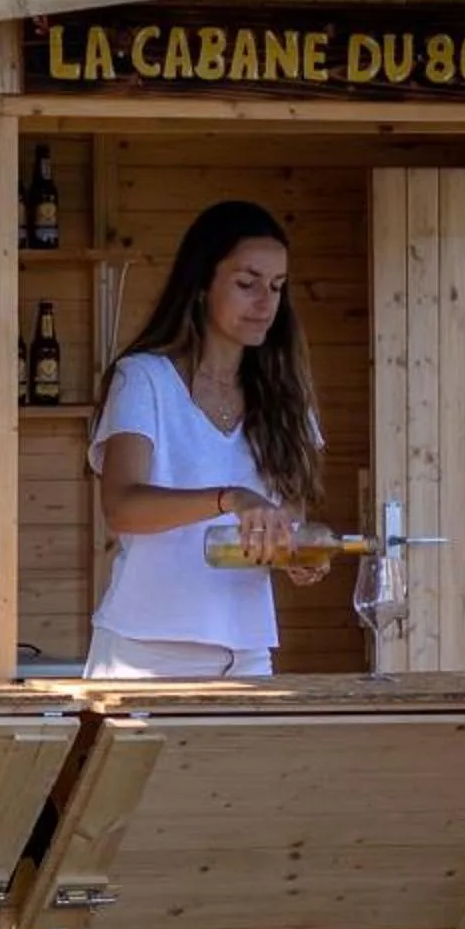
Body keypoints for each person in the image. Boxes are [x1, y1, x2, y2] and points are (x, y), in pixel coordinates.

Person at [84, 199, 324, 678]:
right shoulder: (143, 379)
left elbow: (288, 517)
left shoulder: (285, 395)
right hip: (144, 652)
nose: (265, 302)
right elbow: (122, 508)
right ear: (199, 285)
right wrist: (230, 499)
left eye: (276, 287)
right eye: (246, 283)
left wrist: (298, 552)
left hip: (249, 652)